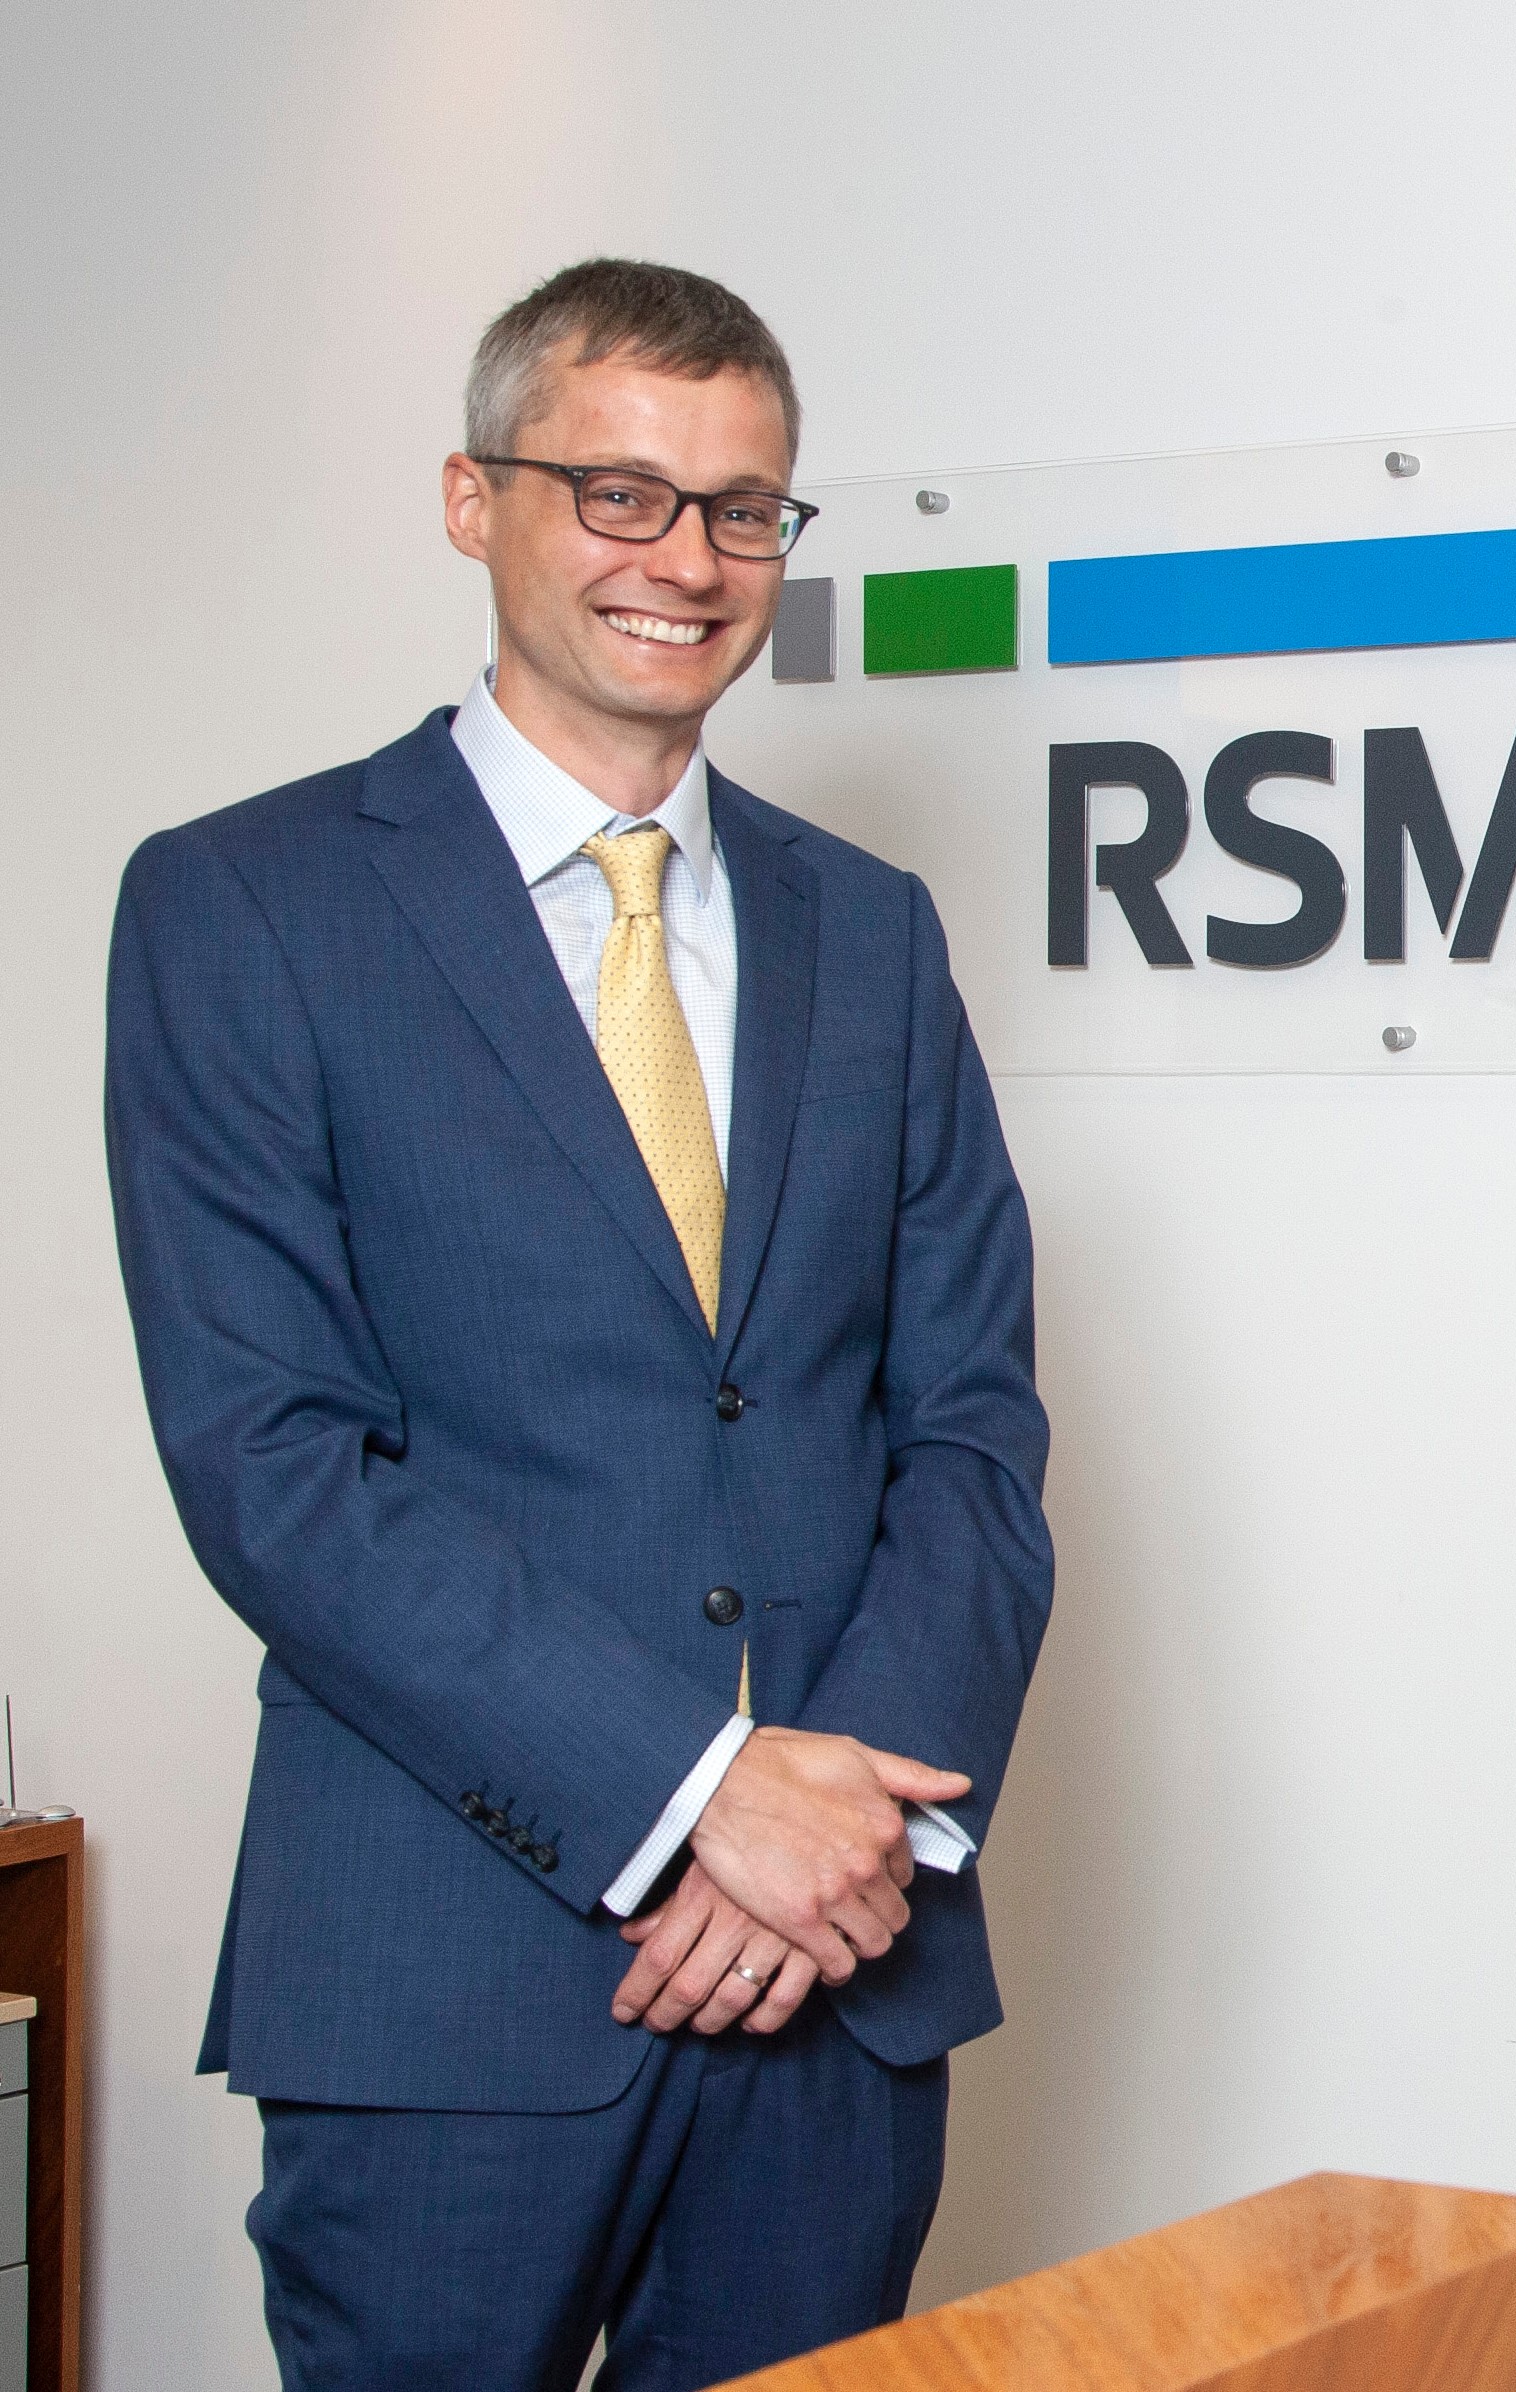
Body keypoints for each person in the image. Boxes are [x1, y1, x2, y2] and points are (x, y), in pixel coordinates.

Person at [106, 258, 1053, 2389]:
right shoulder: (245, 903)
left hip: (840, 1980)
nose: (685, 560)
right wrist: (700, 1792)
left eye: (741, 508)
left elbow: (973, 1433)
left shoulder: (871, 929)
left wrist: (845, 1834)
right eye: (618, 493)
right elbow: (272, 1462)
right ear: (474, 500)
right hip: (447, 1984)